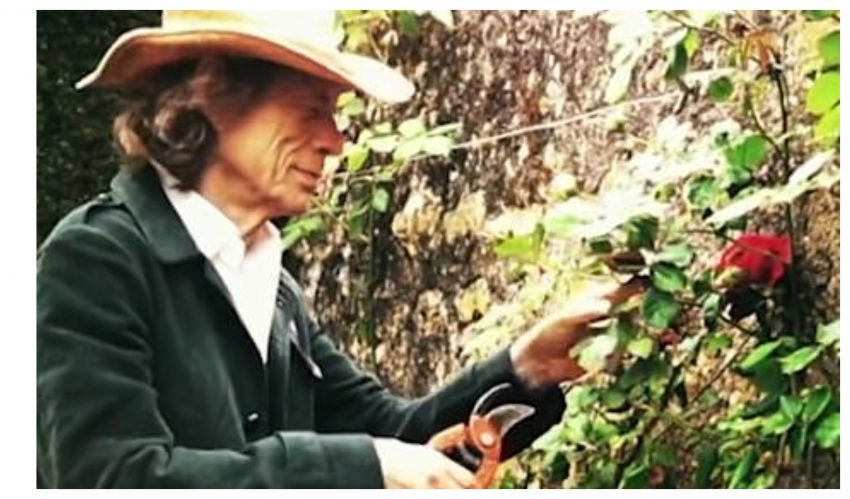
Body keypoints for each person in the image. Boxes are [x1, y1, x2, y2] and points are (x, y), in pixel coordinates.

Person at [37, 11, 642, 488]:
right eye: (311, 109)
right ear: (213, 97)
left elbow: (394, 436)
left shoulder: (273, 289)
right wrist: (360, 467)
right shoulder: (98, 258)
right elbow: (107, 476)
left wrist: (529, 367)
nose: (334, 140)